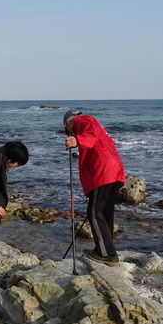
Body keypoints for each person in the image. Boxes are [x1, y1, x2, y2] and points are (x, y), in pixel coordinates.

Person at [63, 110, 125, 267]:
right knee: (104, 213)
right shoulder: (94, 126)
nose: (69, 133)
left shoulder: (82, 121)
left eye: (67, 130)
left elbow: (92, 132)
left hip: (103, 171)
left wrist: (77, 140)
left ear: (68, 122)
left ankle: (108, 254)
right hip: (113, 170)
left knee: (94, 213)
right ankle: (104, 250)